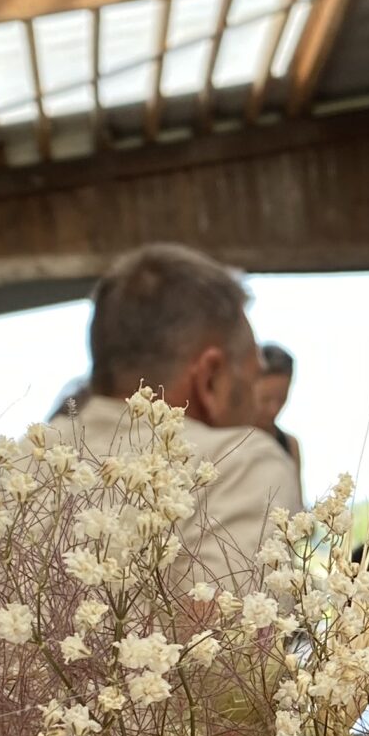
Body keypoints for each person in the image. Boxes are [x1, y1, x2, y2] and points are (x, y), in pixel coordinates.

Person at [73, 244, 301, 578]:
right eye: (251, 380)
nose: (259, 408)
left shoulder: (20, 464)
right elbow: (240, 629)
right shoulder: (243, 466)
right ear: (209, 379)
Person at [255, 342, 304, 481]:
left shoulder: (290, 445)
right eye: (266, 399)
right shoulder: (228, 437)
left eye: (281, 399)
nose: (273, 410)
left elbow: (296, 502)